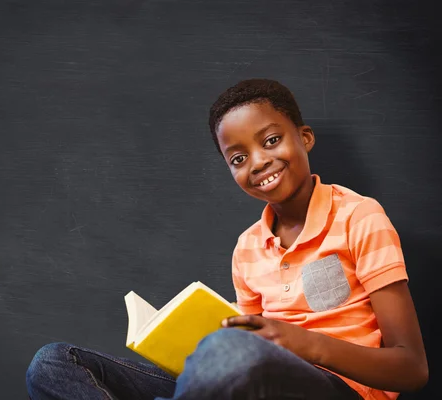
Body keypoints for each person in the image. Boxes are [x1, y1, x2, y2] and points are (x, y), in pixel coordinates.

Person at [25, 79, 428, 400]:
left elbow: (411, 370)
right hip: (251, 379)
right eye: (238, 158)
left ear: (304, 137)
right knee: (55, 363)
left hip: (341, 389)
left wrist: (304, 344)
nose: (259, 162)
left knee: (230, 350)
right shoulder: (247, 248)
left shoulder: (359, 216)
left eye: (271, 140)